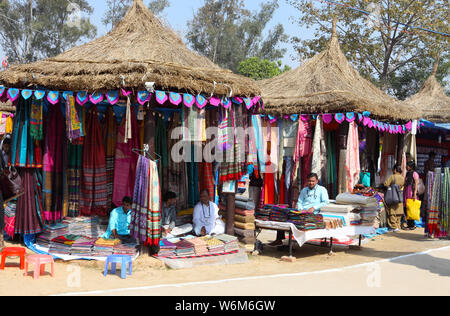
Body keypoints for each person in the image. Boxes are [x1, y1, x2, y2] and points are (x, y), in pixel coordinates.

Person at [269, 173, 330, 246]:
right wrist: (300, 209)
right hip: (302, 212)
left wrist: (314, 207)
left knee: (296, 220)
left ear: (317, 181)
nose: (311, 183)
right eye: (309, 181)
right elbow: (300, 202)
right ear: (307, 181)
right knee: (283, 215)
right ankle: (279, 239)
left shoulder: (322, 189)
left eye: (313, 181)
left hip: (313, 214)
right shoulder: (304, 190)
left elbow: (326, 202)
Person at [384, 165, 405, 232]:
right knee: (399, 212)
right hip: (400, 195)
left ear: (395, 170)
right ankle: (398, 225)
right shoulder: (402, 178)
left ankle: (393, 226)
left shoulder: (392, 177)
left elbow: (386, 184)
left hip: (393, 196)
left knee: (392, 212)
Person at [403, 161, 420, 230]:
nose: (406, 167)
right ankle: (409, 224)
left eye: (407, 166)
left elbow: (416, 184)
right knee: (406, 208)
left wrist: (414, 194)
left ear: (411, 166)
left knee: (411, 208)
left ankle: (412, 225)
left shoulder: (414, 174)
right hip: (406, 192)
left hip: (411, 192)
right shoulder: (407, 173)